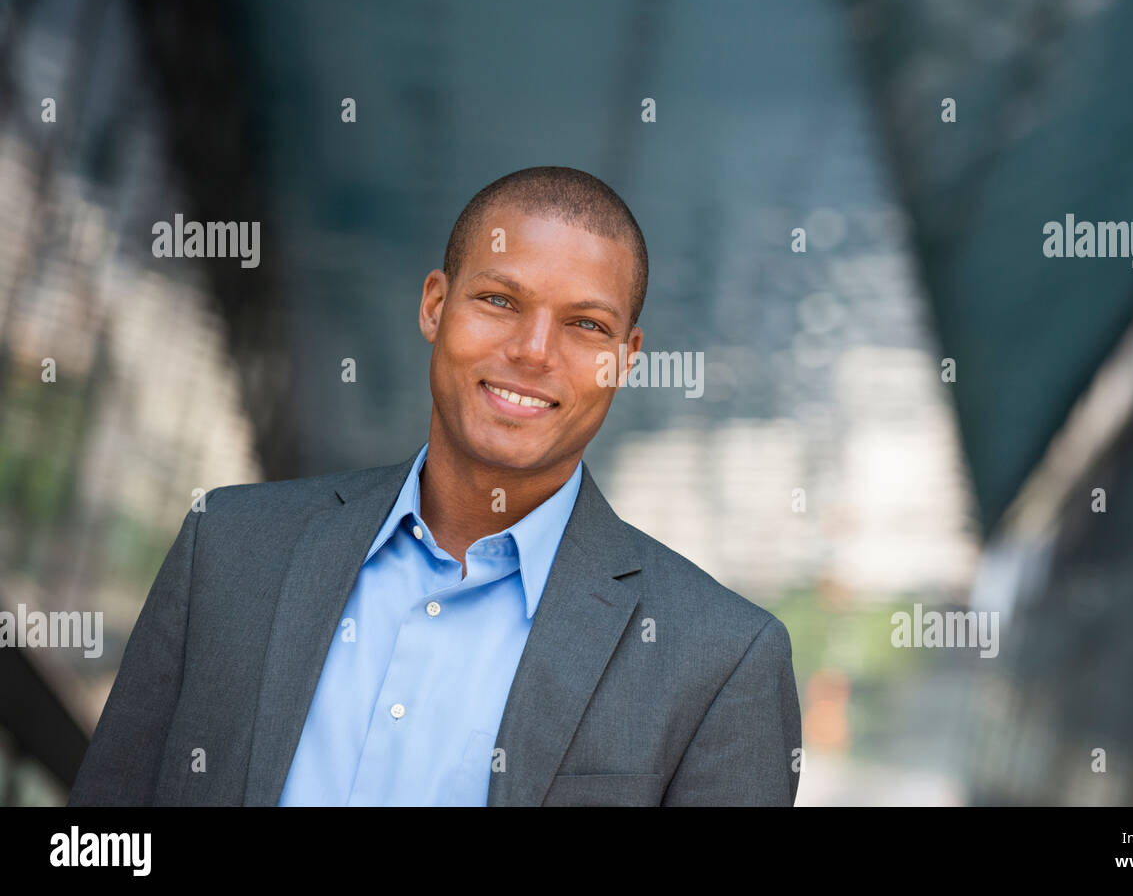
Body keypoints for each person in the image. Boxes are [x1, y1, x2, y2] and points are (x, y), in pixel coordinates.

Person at [68, 165, 802, 806]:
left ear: (627, 358)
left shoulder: (720, 661)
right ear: (434, 306)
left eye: (584, 323)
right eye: (500, 301)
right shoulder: (229, 546)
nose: (533, 351)